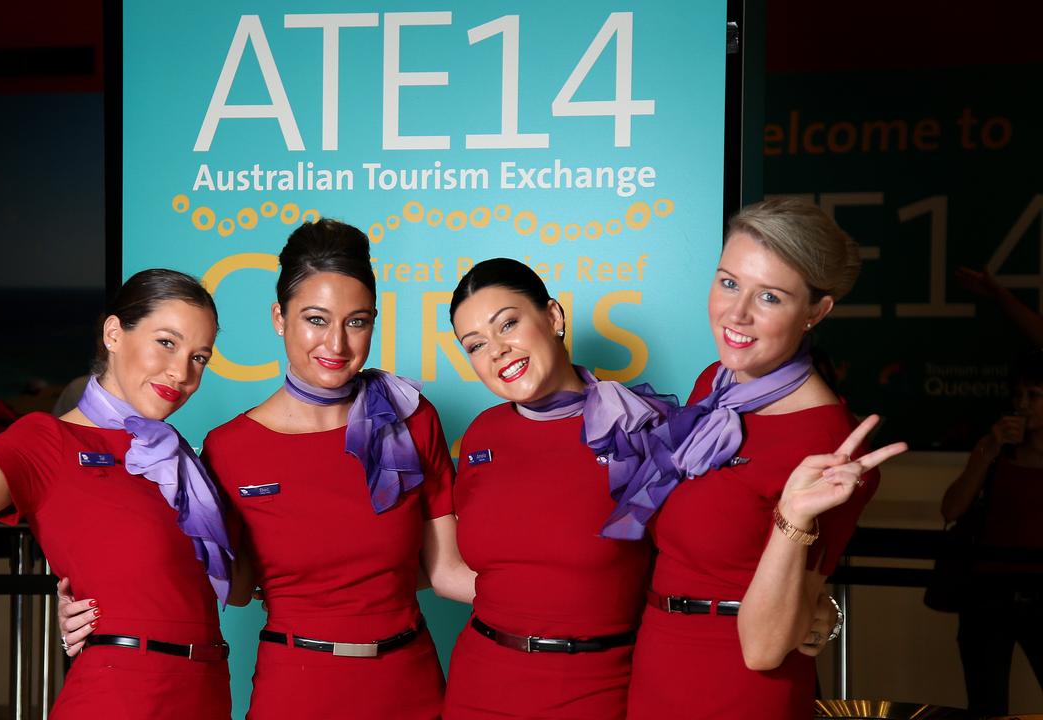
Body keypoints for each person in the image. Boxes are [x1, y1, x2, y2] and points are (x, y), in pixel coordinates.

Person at [61, 219, 472, 719]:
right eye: (316, 319)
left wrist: (571, 598)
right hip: (296, 691)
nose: (336, 344)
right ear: (280, 318)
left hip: (413, 688)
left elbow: (445, 571)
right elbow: (220, 584)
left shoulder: (411, 419)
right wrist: (99, 615)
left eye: (357, 321)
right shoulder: (231, 448)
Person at [0, 225, 236, 719]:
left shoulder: (179, 462)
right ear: (113, 333)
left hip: (206, 693)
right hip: (120, 698)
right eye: (166, 343)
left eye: (199, 357)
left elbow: (225, 580)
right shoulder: (49, 440)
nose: (182, 373)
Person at [625, 198, 907, 719]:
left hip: (737, 684)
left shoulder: (828, 444)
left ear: (816, 312)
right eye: (729, 282)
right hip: (659, 661)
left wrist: (792, 521)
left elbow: (764, 647)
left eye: (770, 297)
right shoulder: (717, 385)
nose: (737, 313)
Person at [443, 257, 665, 719]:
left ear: (553, 317)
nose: (498, 350)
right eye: (476, 345)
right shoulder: (482, 435)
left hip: (598, 689)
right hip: (478, 685)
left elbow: (693, 562)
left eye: (508, 324)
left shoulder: (636, 426)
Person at [940, 351, 1043, 716]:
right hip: (989, 590)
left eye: (1034, 395)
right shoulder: (996, 452)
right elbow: (951, 510)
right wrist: (987, 450)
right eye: (1017, 396)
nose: (1023, 406)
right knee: (987, 703)